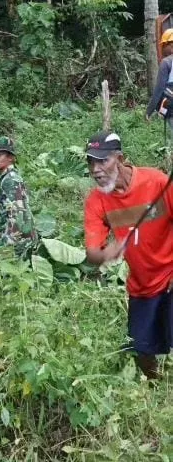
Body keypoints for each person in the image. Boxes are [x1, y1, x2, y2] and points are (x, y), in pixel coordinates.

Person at [83, 131, 173, 379]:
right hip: (142, 285)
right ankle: (156, 388)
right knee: (141, 347)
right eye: (91, 162)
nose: (96, 169)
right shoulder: (96, 202)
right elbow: (91, 251)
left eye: (103, 161)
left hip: (170, 274)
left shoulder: (157, 182)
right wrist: (104, 254)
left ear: (120, 158)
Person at [0, 136, 37, 259]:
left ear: (11, 158)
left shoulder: (10, 180)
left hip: (18, 236)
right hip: (23, 233)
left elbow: (16, 212)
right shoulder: (9, 176)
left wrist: (8, 240)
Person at [146, 28, 173, 124]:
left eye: (164, 45)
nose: (162, 49)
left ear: (170, 45)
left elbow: (159, 90)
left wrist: (149, 111)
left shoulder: (166, 62)